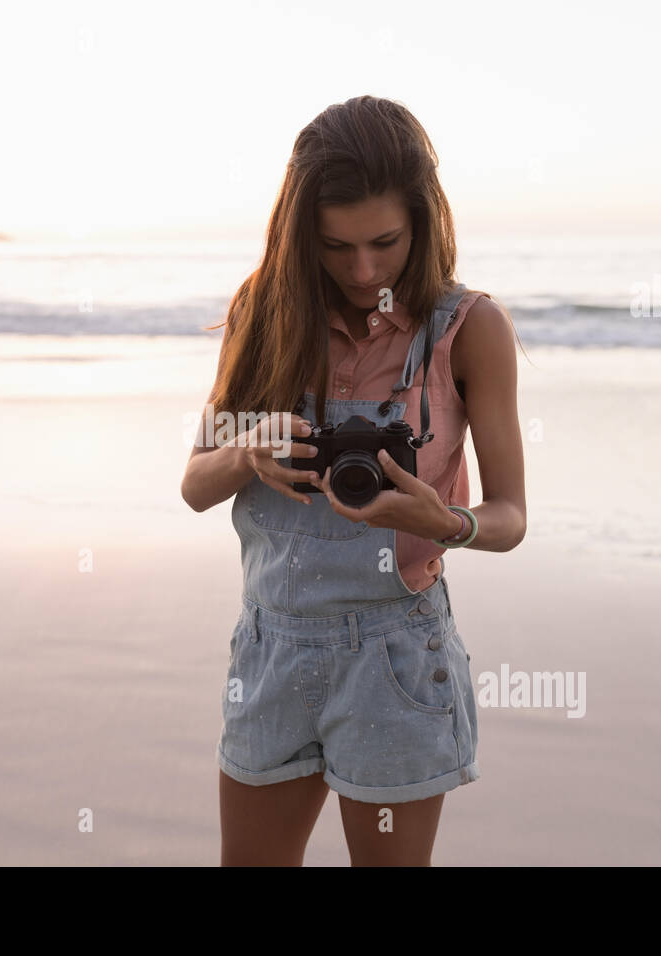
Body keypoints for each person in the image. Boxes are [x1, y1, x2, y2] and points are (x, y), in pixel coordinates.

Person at [180, 95, 528, 866]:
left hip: (394, 657)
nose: (363, 270)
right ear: (300, 230)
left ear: (423, 221)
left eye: (384, 243)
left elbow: (510, 517)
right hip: (271, 646)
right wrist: (249, 455)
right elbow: (196, 484)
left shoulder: (469, 330)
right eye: (335, 246)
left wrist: (447, 522)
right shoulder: (262, 312)